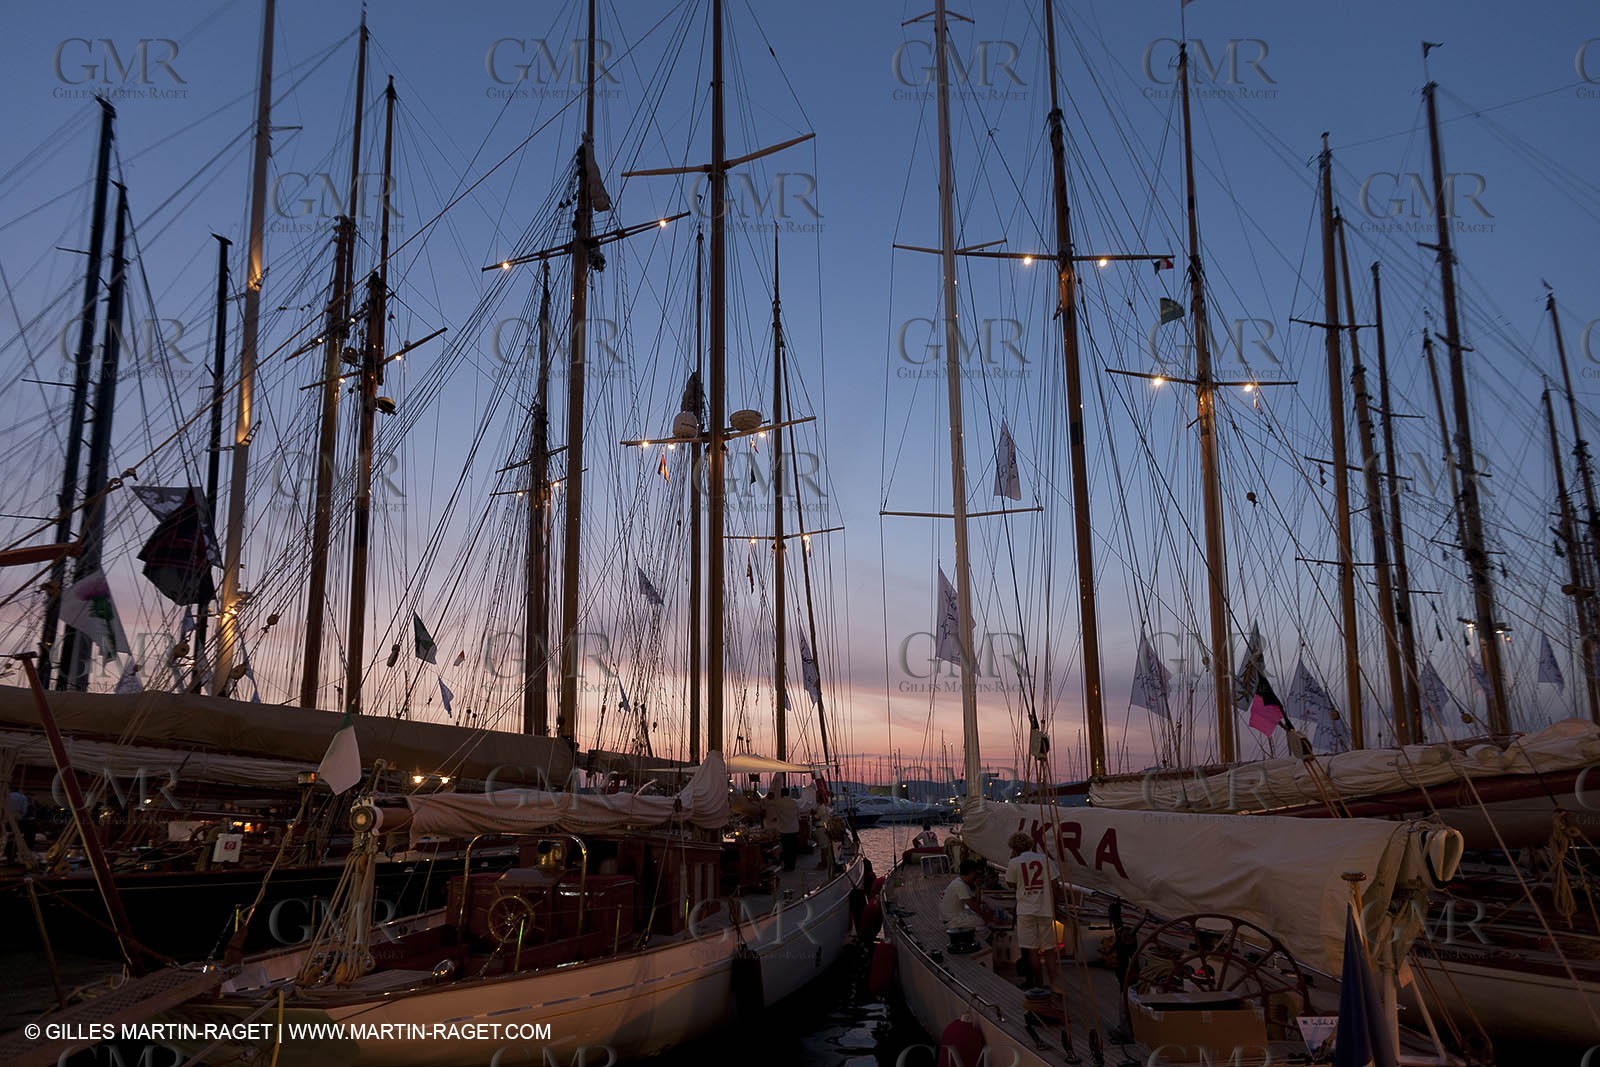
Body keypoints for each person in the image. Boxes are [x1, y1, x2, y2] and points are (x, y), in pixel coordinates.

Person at [1004, 831, 1061, 990]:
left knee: (1032, 950)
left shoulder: (1014, 863)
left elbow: (1010, 883)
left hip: (1025, 911)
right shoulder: (1046, 860)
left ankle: (1039, 985)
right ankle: (1054, 984)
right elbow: (1055, 886)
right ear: (1030, 844)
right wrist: (1055, 906)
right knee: (1049, 949)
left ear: (1014, 848)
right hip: (1045, 909)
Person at [941, 859, 993, 935]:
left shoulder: (961, 882)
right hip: (952, 920)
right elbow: (973, 906)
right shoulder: (960, 885)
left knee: (979, 917)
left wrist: (978, 887)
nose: (976, 876)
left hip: (954, 916)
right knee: (981, 922)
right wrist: (988, 917)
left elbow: (976, 903)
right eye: (975, 873)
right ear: (971, 873)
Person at [766, 787, 801, 872]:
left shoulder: (778, 803)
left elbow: (769, 803)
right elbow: (798, 815)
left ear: (781, 794)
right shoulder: (794, 803)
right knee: (793, 848)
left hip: (784, 829)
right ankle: (792, 865)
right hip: (794, 829)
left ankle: (786, 865)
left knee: (786, 849)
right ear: (788, 793)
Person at [6, 789, 35, 864]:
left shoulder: (7, 795)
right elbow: (24, 810)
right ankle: (24, 853)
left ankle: (9, 854)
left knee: (10, 836)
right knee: (25, 836)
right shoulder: (23, 797)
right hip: (20, 820)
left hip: (8, 819)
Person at [812, 797, 834, 871]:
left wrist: (812, 814)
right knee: (825, 846)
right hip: (824, 828)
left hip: (821, 828)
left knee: (823, 847)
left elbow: (817, 818)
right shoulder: (825, 808)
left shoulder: (821, 808)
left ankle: (824, 863)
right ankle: (825, 862)